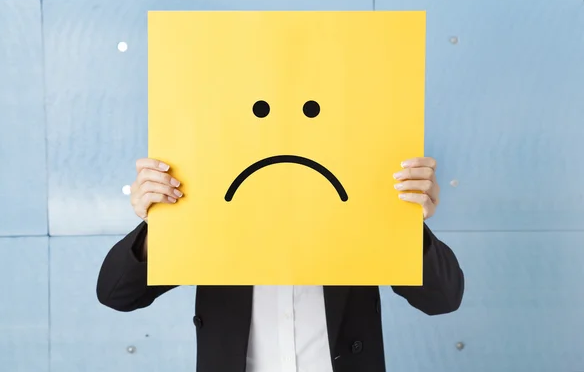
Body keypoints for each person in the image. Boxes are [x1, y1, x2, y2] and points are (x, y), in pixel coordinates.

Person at [97, 156, 464, 372]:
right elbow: (118, 293)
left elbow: (442, 298)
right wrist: (157, 220)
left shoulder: (361, 194)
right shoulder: (210, 207)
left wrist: (405, 220)